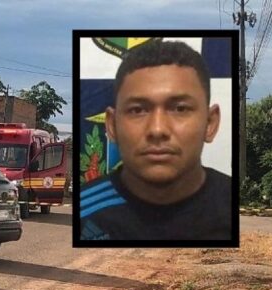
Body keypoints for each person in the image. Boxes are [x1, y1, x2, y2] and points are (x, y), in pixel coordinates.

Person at [80, 40, 232, 241]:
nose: (157, 129)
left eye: (180, 109)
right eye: (138, 110)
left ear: (210, 123)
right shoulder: (84, 211)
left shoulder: (231, 209)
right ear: (112, 125)